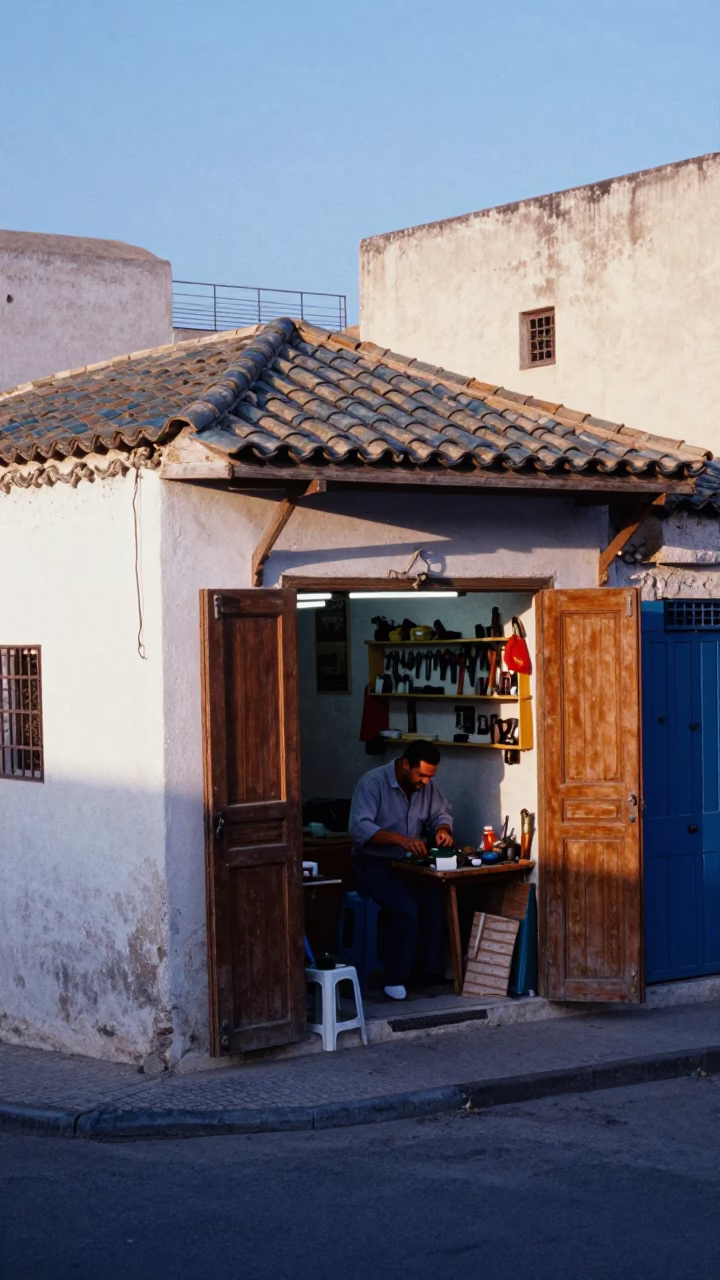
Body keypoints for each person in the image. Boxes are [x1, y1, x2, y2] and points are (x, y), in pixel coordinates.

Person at [348, 741, 453, 1001]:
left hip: (407, 864)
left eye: (431, 776)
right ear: (405, 765)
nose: (426, 782)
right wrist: (400, 839)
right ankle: (395, 978)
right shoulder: (373, 783)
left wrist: (443, 829)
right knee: (405, 907)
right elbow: (360, 828)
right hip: (372, 862)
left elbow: (441, 812)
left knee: (436, 899)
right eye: (422, 775)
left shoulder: (425, 787)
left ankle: (425, 975)